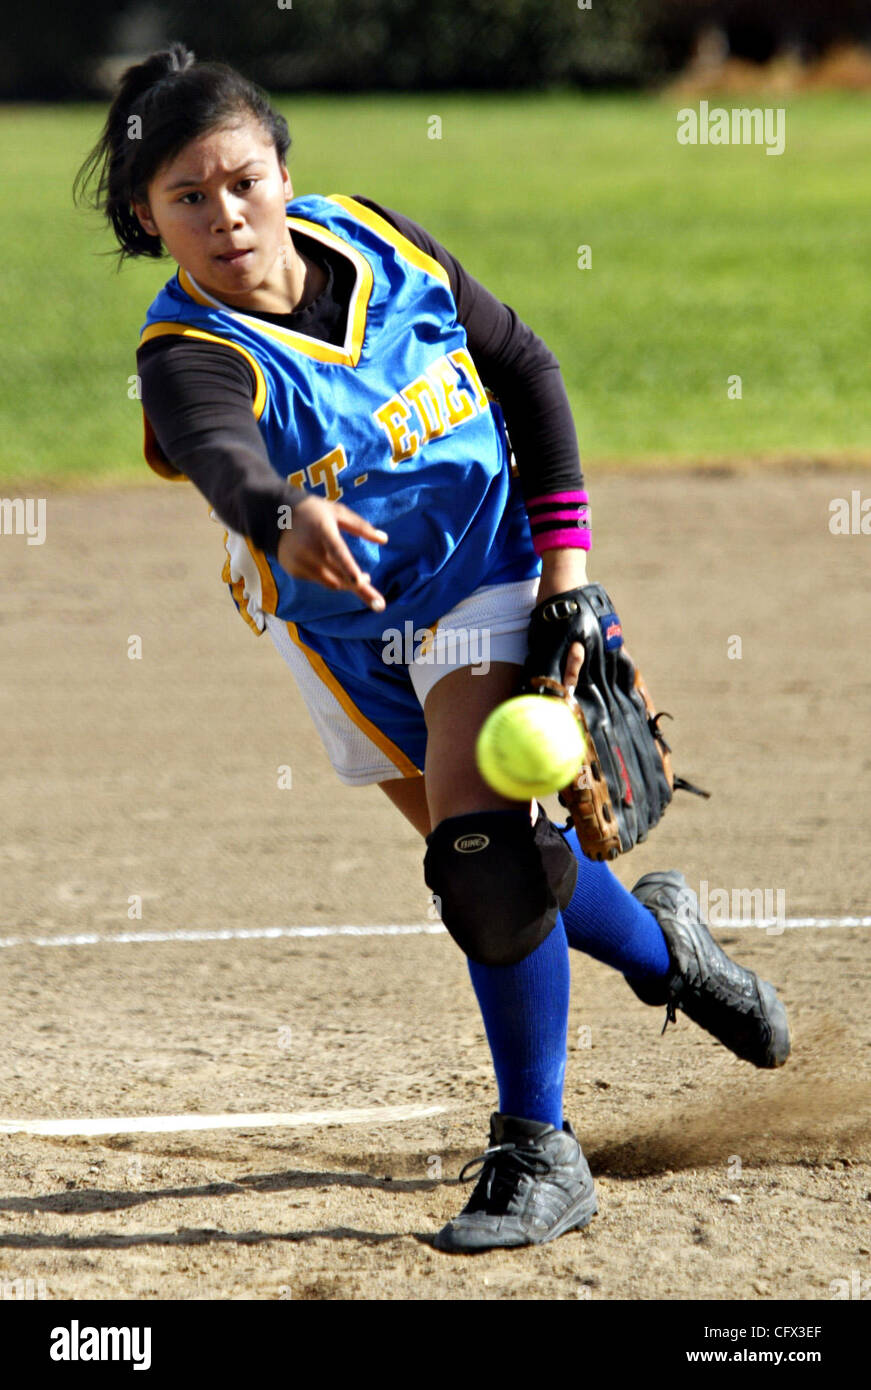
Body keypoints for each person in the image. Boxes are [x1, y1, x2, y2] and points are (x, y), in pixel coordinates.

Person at [75, 45, 790, 1255]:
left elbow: (524, 369)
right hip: (346, 637)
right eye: (186, 196)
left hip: (488, 571)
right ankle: (665, 947)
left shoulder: (375, 241)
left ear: (283, 172)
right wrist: (280, 516)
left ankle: (538, 1149)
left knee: (483, 859)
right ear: (147, 217)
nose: (224, 215)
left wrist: (565, 576)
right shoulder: (186, 352)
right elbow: (221, 452)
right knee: (502, 865)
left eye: (243, 181)